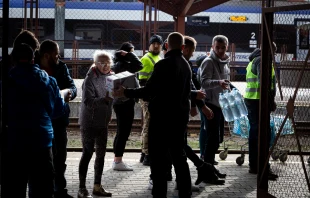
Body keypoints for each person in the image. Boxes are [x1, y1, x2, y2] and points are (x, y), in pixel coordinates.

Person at [114, 32, 192, 198]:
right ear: (183, 47)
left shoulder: (163, 65)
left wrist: (126, 92)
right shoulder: (186, 65)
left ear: (165, 46)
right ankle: (185, 193)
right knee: (179, 158)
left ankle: (159, 194)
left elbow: (149, 91)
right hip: (179, 120)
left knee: (159, 163)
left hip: (161, 120)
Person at [5, 43, 65, 198]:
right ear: (33, 59)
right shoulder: (49, 81)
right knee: (42, 191)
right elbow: (58, 111)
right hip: (42, 142)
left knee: (14, 189)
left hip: (14, 143)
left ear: (13, 60)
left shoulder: (6, 83)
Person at [35, 39, 77, 198]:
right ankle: (49, 191)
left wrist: (70, 93)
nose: (58, 57)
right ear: (46, 55)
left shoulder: (61, 67)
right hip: (42, 121)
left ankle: (60, 191)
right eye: (56, 55)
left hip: (59, 120)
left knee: (60, 157)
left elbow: (72, 86)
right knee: (46, 160)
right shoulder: (36, 70)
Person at [77, 50, 114, 198]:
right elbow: (87, 101)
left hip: (103, 122)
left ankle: (97, 187)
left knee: (101, 155)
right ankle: (81, 187)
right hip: (89, 122)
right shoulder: (90, 78)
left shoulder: (112, 76)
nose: (106, 66)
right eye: (102, 63)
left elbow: (112, 98)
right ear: (96, 64)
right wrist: (104, 100)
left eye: (108, 63)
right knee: (87, 153)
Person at [244, 43, 278, 180]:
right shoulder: (262, 60)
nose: (273, 55)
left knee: (255, 132)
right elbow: (263, 83)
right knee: (262, 134)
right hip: (258, 101)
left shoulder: (256, 59)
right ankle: (262, 167)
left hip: (254, 100)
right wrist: (270, 101)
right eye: (273, 52)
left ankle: (254, 165)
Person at [200, 35, 231, 166]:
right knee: (212, 137)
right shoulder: (209, 61)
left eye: (223, 47)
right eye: (217, 47)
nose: (220, 50)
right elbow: (204, 82)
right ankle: (207, 165)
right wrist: (218, 82)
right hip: (210, 103)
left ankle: (210, 162)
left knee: (217, 138)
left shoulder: (225, 63)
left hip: (220, 104)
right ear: (213, 47)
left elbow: (226, 82)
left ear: (227, 47)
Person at [111, 42, 143, 171]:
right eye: (131, 52)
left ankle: (117, 160)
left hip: (120, 102)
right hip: (124, 101)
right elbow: (139, 65)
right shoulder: (125, 67)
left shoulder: (118, 66)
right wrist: (130, 55)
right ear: (126, 53)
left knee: (121, 131)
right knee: (123, 132)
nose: (133, 54)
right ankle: (118, 161)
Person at [138, 34, 163, 166]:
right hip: (148, 97)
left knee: (148, 125)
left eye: (158, 43)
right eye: (154, 43)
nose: (156, 45)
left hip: (152, 96)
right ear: (149, 45)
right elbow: (142, 81)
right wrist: (147, 97)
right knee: (149, 125)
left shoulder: (157, 57)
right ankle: (147, 154)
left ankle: (144, 153)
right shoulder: (147, 59)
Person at [196, 54, 208, 159]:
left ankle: (203, 154)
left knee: (204, 126)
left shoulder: (199, 70)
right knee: (205, 127)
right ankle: (204, 154)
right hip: (204, 101)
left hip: (202, 101)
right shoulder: (203, 70)